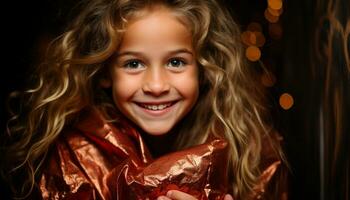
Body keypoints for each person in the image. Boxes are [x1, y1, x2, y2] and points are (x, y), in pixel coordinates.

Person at [1, 0, 288, 199]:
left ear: (204, 68)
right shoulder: (73, 158)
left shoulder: (247, 151)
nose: (156, 85)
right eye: (133, 64)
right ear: (105, 72)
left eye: (176, 62)